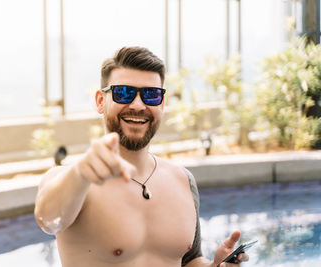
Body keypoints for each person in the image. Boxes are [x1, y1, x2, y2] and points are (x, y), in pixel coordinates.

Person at [34, 46, 250, 267]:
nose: (138, 105)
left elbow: (189, 261)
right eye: (124, 93)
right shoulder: (69, 180)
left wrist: (216, 266)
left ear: (162, 104)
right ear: (100, 101)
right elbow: (48, 221)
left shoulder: (183, 180)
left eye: (151, 95)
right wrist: (80, 173)